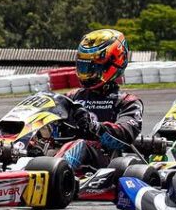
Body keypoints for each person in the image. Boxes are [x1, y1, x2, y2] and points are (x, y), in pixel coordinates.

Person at [57, 29, 143, 172]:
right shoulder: (71, 97)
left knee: (80, 145)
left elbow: (125, 136)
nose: (87, 73)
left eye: (93, 67)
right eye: (84, 66)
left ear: (114, 63)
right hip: (60, 156)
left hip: (104, 163)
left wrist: (94, 127)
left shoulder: (127, 101)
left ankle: (55, 172)